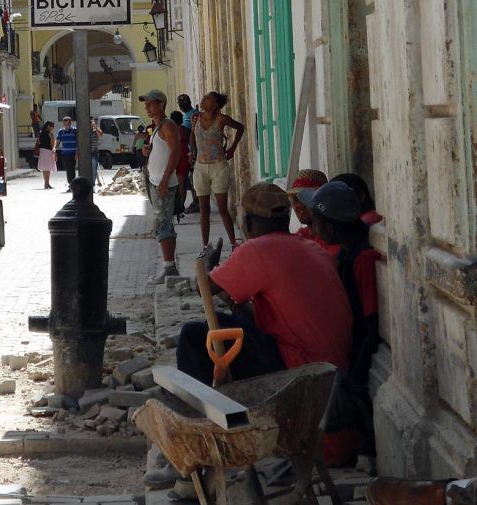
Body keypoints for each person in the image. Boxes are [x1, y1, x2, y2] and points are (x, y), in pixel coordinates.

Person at [145, 183, 353, 489]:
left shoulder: (258, 249)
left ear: (250, 224)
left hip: (297, 372)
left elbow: (208, 286)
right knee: (231, 329)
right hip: (324, 374)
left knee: (193, 336)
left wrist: (211, 267)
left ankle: (191, 459)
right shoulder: (310, 247)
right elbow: (271, 318)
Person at [298, 181, 382, 386]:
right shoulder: (346, 253)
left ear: (330, 228)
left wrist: (354, 381)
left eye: (316, 223)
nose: (313, 229)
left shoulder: (363, 260)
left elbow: (371, 329)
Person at [189, 92, 245, 254]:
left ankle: (233, 243)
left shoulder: (222, 119)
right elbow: (193, 136)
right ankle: (205, 246)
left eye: (208, 99)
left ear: (215, 105)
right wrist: (192, 152)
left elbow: (240, 128)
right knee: (203, 208)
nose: (204, 100)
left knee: (222, 208)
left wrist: (233, 148)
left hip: (218, 166)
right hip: (200, 167)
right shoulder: (196, 118)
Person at [140, 89, 181, 284]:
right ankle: (169, 266)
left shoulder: (168, 125)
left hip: (162, 182)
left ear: (161, 104)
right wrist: (148, 149)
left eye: (150, 104)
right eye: (146, 104)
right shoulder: (158, 127)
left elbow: (175, 152)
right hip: (156, 181)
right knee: (164, 224)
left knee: (161, 225)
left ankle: (168, 267)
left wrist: (165, 178)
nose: (147, 107)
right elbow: (163, 151)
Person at [287, 169, 341, 256]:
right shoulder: (301, 236)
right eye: (295, 199)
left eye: (304, 199)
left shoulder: (333, 237)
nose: (298, 205)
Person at [177, 94, 199, 214]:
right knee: (191, 179)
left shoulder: (194, 114)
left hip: (193, 151)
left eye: (183, 104)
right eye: (180, 104)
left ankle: (197, 203)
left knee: (194, 179)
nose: (182, 106)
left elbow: (192, 133)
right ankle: (195, 202)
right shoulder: (186, 115)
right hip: (187, 151)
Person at [169, 110, 190, 216]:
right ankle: (180, 207)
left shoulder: (169, 130)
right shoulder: (185, 130)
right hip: (183, 157)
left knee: (174, 184)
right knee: (181, 184)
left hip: (173, 156)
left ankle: (176, 207)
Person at [55, 116, 77, 188]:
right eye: (64, 123)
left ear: (70, 123)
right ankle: (71, 184)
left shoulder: (74, 131)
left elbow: (78, 142)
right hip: (64, 154)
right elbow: (58, 141)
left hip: (72, 154)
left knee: (71, 169)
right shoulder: (61, 131)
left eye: (67, 124)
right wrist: (54, 148)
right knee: (68, 169)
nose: (65, 125)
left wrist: (77, 153)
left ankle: (72, 185)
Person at [37, 121, 56, 189]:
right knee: (48, 168)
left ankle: (46, 183)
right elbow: (52, 144)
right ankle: (47, 183)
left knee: (45, 169)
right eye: (52, 126)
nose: (53, 128)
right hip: (48, 151)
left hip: (42, 151)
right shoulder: (50, 134)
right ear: (49, 126)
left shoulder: (41, 133)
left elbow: (39, 142)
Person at [89, 116, 103, 187]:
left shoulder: (96, 130)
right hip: (86, 153)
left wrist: (95, 127)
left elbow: (100, 135)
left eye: (91, 122)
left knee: (94, 169)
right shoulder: (85, 131)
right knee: (88, 170)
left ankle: (93, 185)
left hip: (94, 152)